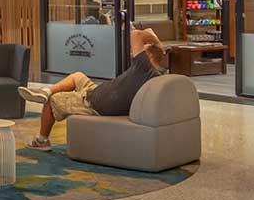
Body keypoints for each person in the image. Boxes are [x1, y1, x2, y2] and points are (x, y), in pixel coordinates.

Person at [18, 27, 167, 151]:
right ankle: (46, 91)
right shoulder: (157, 74)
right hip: (99, 92)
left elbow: (136, 35)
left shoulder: (144, 68)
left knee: (52, 102)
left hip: (95, 103)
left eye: (143, 49)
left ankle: (42, 141)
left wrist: (157, 42)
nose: (133, 53)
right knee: (78, 76)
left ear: (149, 55)